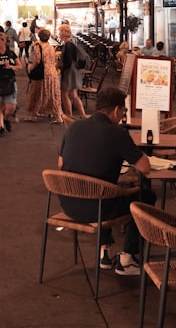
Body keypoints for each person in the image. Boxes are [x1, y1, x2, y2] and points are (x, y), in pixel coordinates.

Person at [58, 86, 157, 275]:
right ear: (116, 110)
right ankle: (128, 258)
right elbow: (145, 168)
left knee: (101, 186)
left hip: (69, 204)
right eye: (124, 111)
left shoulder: (74, 127)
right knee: (146, 197)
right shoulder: (117, 133)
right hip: (97, 208)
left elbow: (61, 163)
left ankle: (105, 250)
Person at [29, 28, 63, 123]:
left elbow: (37, 60)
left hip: (43, 72)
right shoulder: (51, 47)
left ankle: (34, 114)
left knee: (37, 92)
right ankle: (58, 116)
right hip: (52, 72)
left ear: (39, 36)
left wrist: (31, 68)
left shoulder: (38, 47)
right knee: (52, 93)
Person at [58, 24, 88, 119]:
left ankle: (69, 115)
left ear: (63, 33)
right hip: (75, 71)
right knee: (74, 95)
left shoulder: (68, 45)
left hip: (69, 72)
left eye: (60, 32)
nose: (59, 34)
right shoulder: (72, 43)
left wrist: (59, 65)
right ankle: (82, 114)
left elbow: (68, 61)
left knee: (64, 94)